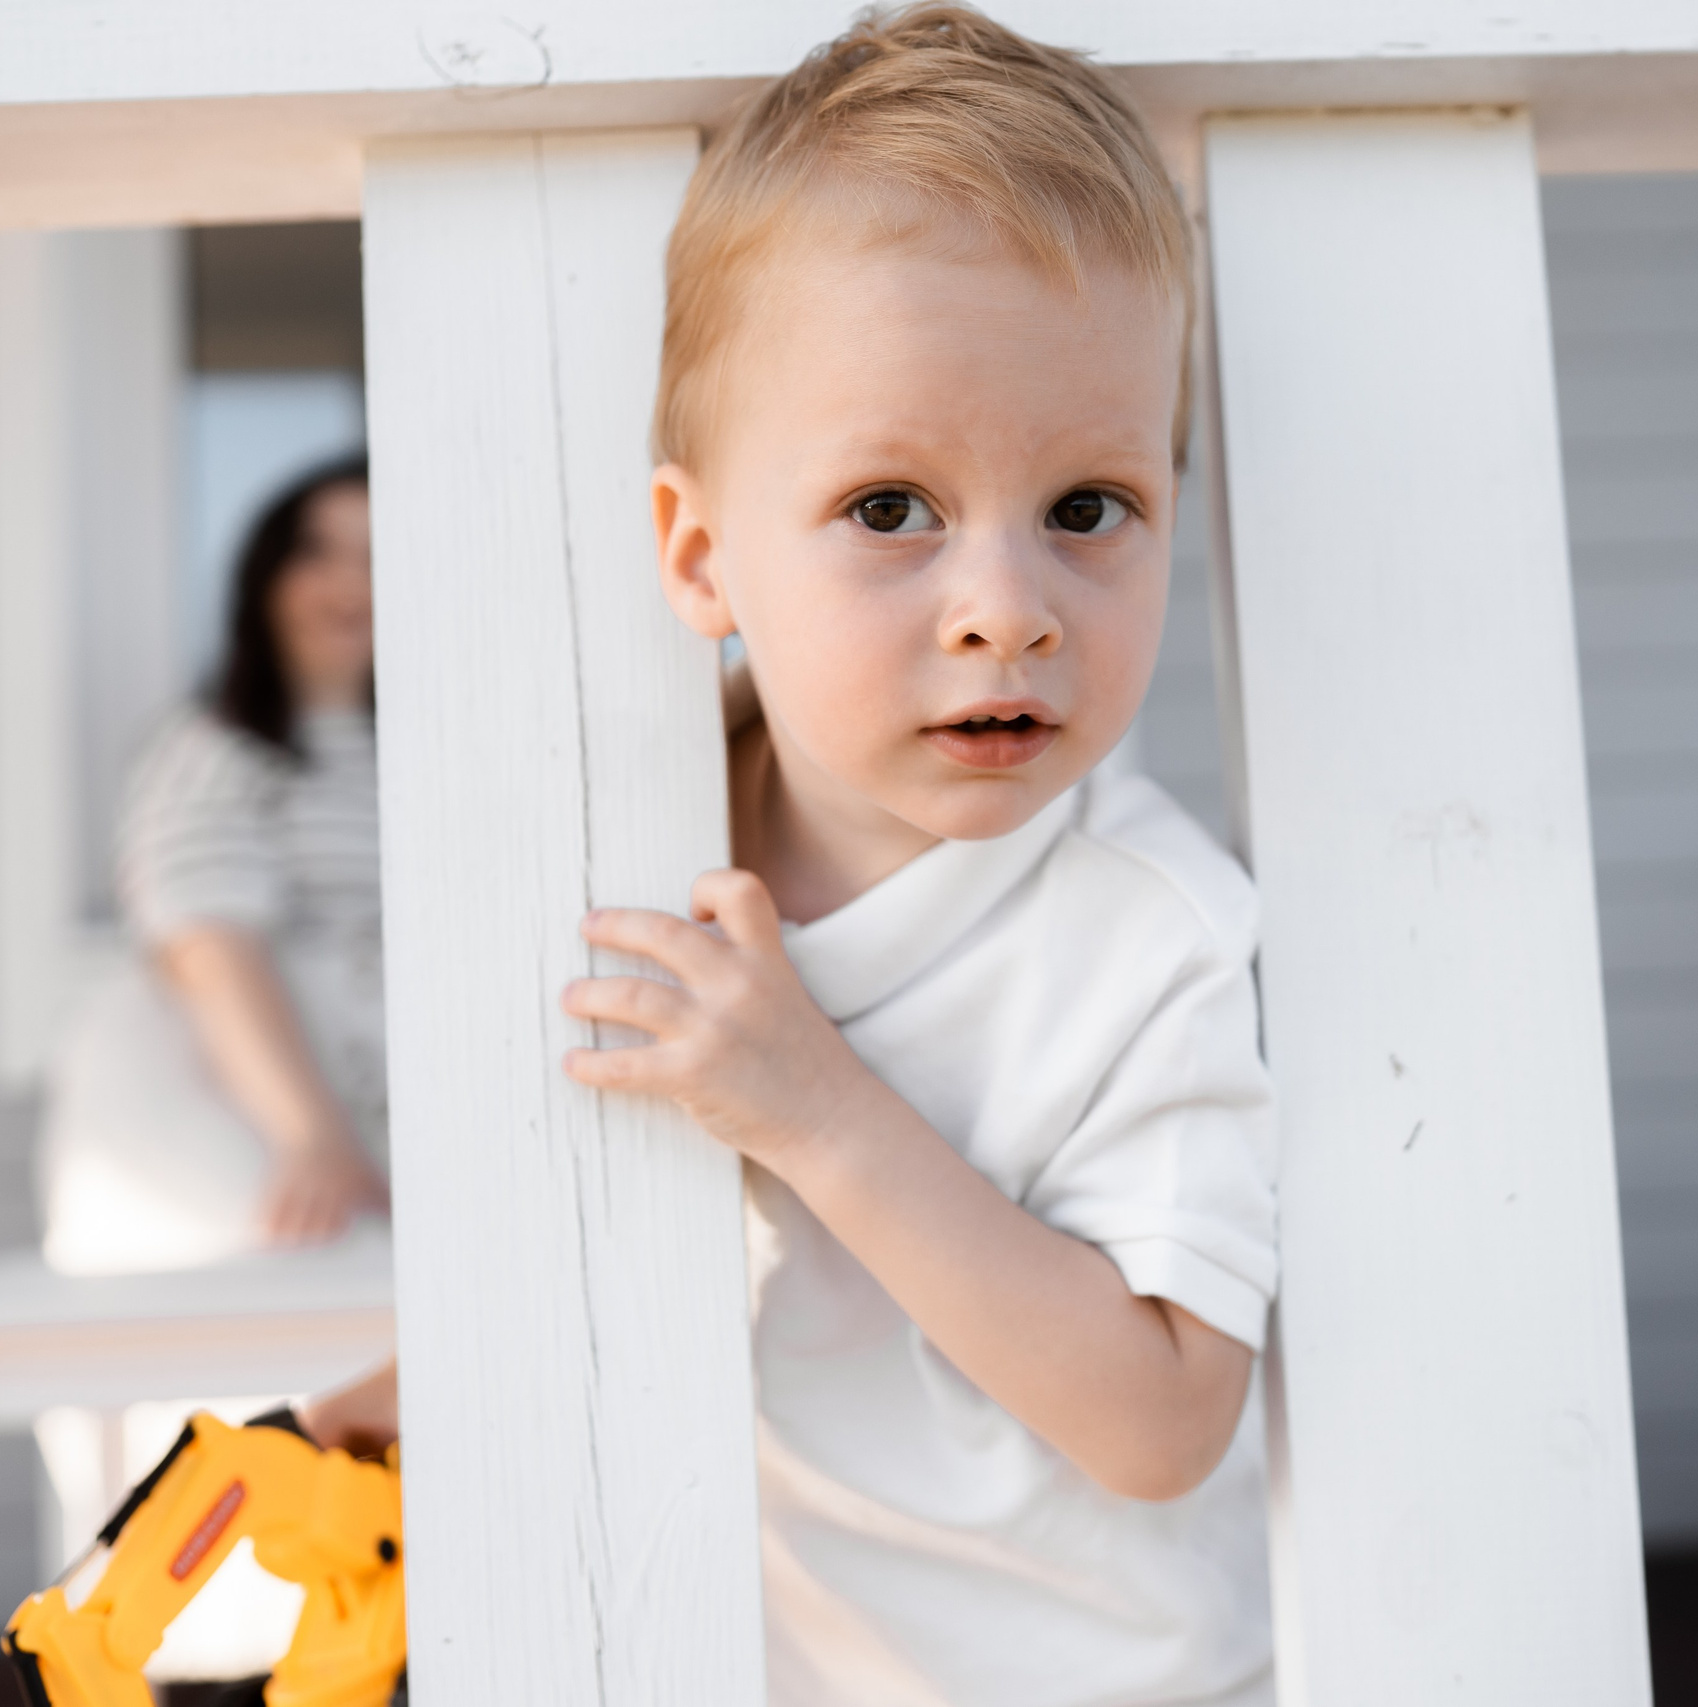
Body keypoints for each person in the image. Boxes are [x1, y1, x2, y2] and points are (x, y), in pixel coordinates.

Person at [303, 9, 1278, 1701]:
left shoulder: (1149, 932)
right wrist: (448, 1366)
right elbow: (661, 1219)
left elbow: (1166, 1416)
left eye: (1089, 505)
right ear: (700, 553)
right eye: (891, 508)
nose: (1006, 608)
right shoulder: (637, 834)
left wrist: (817, 1108)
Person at [38, 456, 391, 1275]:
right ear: (265, 577)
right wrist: (314, 1140)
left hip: (367, 1144)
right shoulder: (213, 754)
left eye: (376, 556)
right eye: (319, 552)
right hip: (256, 1146)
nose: (349, 583)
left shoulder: (414, 757)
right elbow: (208, 949)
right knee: (263, 1396)